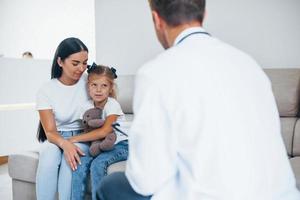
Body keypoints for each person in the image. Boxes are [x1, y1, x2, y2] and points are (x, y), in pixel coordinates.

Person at [97, 0, 300, 200]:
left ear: (157, 19)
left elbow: (146, 179)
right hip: (280, 195)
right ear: (204, 14)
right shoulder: (249, 65)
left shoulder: (156, 72)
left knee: (111, 184)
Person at [35, 37, 90, 200]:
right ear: (60, 61)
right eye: (75, 63)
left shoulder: (90, 82)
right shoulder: (46, 90)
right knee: (48, 155)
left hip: (82, 137)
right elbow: (50, 132)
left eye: (85, 62)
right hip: (56, 138)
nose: (81, 68)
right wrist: (65, 144)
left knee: (70, 162)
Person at [70, 64, 129, 200]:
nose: (98, 90)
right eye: (94, 85)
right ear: (88, 86)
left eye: (104, 86)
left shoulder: (112, 104)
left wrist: (74, 139)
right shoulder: (86, 106)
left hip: (122, 145)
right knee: (80, 163)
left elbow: (105, 131)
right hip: (98, 145)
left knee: (98, 164)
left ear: (110, 88)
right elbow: (86, 129)